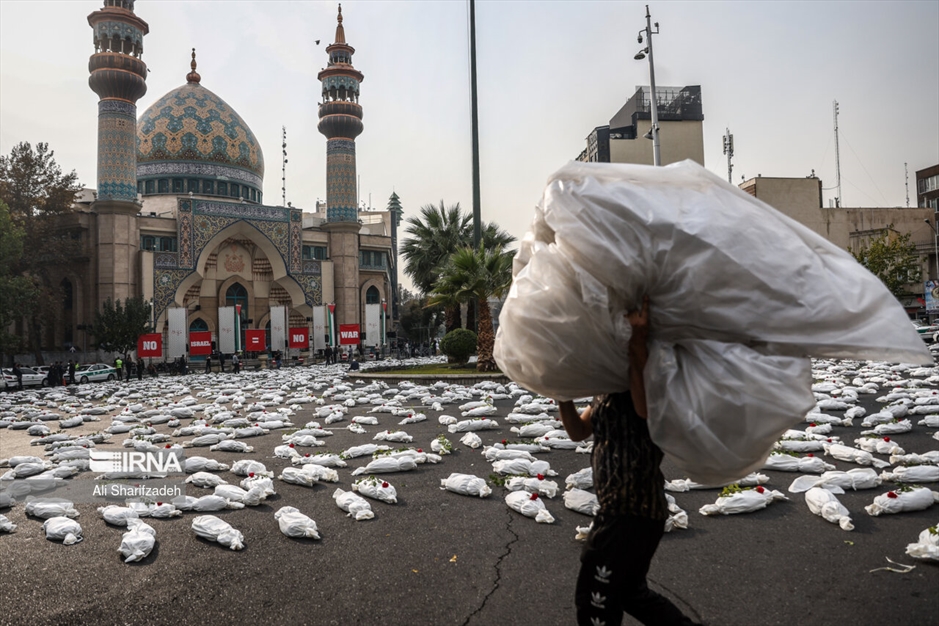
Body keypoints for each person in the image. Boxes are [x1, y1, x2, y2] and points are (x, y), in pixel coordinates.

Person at [557, 296, 700, 626]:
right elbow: (579, 431)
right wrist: (561, 395)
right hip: (622, 510)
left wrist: (638, 341)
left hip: (632, 509)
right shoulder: (608, 387)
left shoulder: (649, 373)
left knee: (595, 598)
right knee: (631, 593)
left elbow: (645, 410)